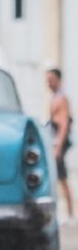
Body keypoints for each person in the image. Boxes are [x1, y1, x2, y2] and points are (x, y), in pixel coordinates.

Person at [47, 67, 73, 223]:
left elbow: (63, 125)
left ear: (58, 80)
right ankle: (66, 213)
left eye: (51, 79)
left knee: (62, 179)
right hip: (55, 142)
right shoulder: (55, 97)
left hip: (59, 143)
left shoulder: (61, 99)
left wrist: (58, 148)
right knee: (58, 178)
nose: (48, 83)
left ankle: (70, 214)